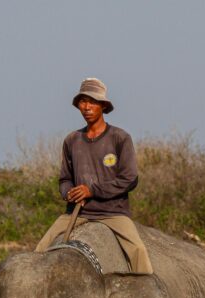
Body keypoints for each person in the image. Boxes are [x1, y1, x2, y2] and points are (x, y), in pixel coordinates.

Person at [35, 78, 153, 274]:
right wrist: (69, 193)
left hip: (112, 212)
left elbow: (130, 178)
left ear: (103, 106)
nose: (87, 107)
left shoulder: (120, 138)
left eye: (92, 102)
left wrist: (91, 191)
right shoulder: (72, 140)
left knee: (138, 251)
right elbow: (64, 179)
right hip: (78, 212)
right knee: (39, 251)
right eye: (83, 101)